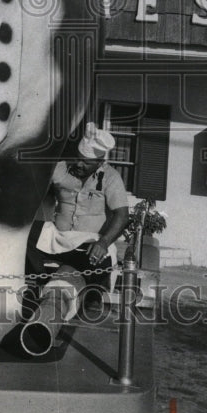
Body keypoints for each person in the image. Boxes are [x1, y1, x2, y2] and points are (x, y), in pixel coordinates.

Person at [26, 123, 130, 295]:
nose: (79, 164)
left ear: (99, 162)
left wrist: (103, 242)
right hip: (57, 240)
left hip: (89, 244)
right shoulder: (60, 168)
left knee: (101, 264)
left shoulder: (111, 177)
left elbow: (122, 215)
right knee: (24, 233)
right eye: (77, 158)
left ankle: (93, 297)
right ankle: (40, 280)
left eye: (86, 162)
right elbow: (34, 184)